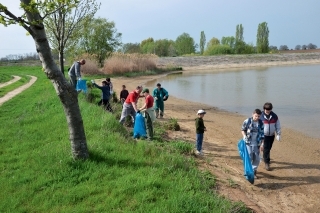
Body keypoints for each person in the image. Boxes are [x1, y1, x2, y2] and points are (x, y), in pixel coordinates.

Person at [241, 109, 265, 178]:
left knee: (257, 158)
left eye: (258, 116)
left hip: (257, 144)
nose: (257, 117)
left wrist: (262, 144)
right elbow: (243, 130)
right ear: (253, 114)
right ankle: (247, 171)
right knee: (249, 157)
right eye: (256, 116)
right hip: (248, 142)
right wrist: (244, 136)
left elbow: (263, 135)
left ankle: (254, 171)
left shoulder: (261, 123)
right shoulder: (247, 121)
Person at [260, 102, 281, 171]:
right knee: (266, 149)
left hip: (272, 135)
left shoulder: (274, 116)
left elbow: (277, 125)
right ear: (264, 109)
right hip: (264, 135)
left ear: (271, 109)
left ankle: (265, 157)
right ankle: (267, 162)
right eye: (266, 110)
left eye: (269, 110)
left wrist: (278, 134)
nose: (268, 111)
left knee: (269, 148)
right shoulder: (261, 116)